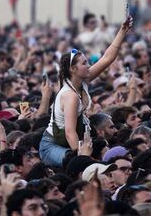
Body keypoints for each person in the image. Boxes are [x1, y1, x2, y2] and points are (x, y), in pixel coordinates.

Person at [39, 15, 133, 167]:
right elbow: (69, 132)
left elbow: (107, 59)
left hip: (70, 140)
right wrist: (83, 159)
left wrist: (122, 31)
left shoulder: (82, 80)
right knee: (80, 164)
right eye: (84, 63)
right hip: (52, 146)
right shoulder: (70, 96)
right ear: (73, 69)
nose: (88, 65)